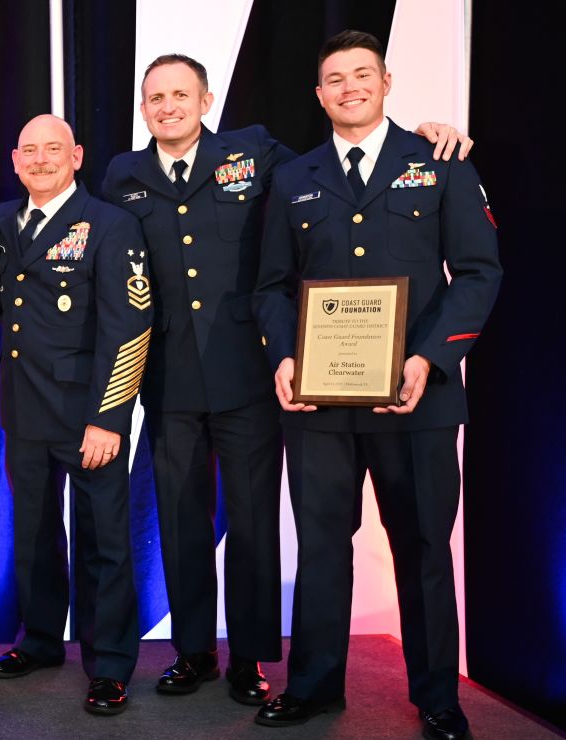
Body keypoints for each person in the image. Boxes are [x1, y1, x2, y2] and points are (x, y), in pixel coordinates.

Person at [101, 54, 475, 708]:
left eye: (180, 94)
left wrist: (428, 137)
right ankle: (193, 653)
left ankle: (247, 658)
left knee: (251, 525)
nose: (168, 107)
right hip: (169, 378)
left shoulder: (257, 153)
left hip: (253, 375)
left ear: (205, 98)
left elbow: (344, 166)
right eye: (155, 97)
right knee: (180, 523)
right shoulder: (121, 175)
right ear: (143, 107)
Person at [252, 31, 501, 740]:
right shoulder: (293, 177)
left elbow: (479, 273)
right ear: (320, 94)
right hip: (321, 402)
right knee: (323, 545)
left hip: (416, 397)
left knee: (422, 547)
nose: (349, 87)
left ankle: (437, 698)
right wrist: (283, 357)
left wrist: (430, 359)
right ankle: (314, 685)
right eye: (335, 79)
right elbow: (271, 287)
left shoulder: (439, 162)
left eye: (362, 75)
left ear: (386, 82)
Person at [0, 114, 150, 716]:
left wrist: (110, 417)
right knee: (32, 535)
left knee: (104, 541)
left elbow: (130, 327)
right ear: (14, 158)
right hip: (23, 409)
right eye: (30, 150)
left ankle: (108, 665)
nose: (41, 159)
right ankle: (40, 639)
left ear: (77, 156)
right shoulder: (3, 222)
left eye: (54, 149)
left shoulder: (111, 224)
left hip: (88, 413)